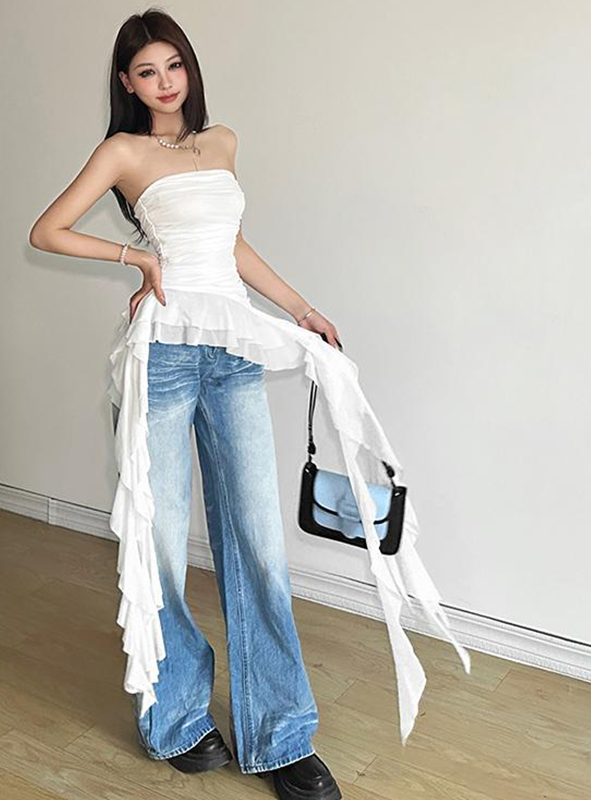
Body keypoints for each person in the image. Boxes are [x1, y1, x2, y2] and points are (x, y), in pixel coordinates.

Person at [29, 9, 471, 800]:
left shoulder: (222, 142)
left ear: (188, 68)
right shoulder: (122, 151)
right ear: (127, 83)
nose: (165, 82)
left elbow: (229, 245)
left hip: (232, 353)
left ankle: (281, 735)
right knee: (162, 548)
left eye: (173, 65)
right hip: (164, 357)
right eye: (147, 72)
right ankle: (175, 719)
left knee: (258, 546)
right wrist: (137, 258)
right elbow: (48, 230)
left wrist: (301, 308)